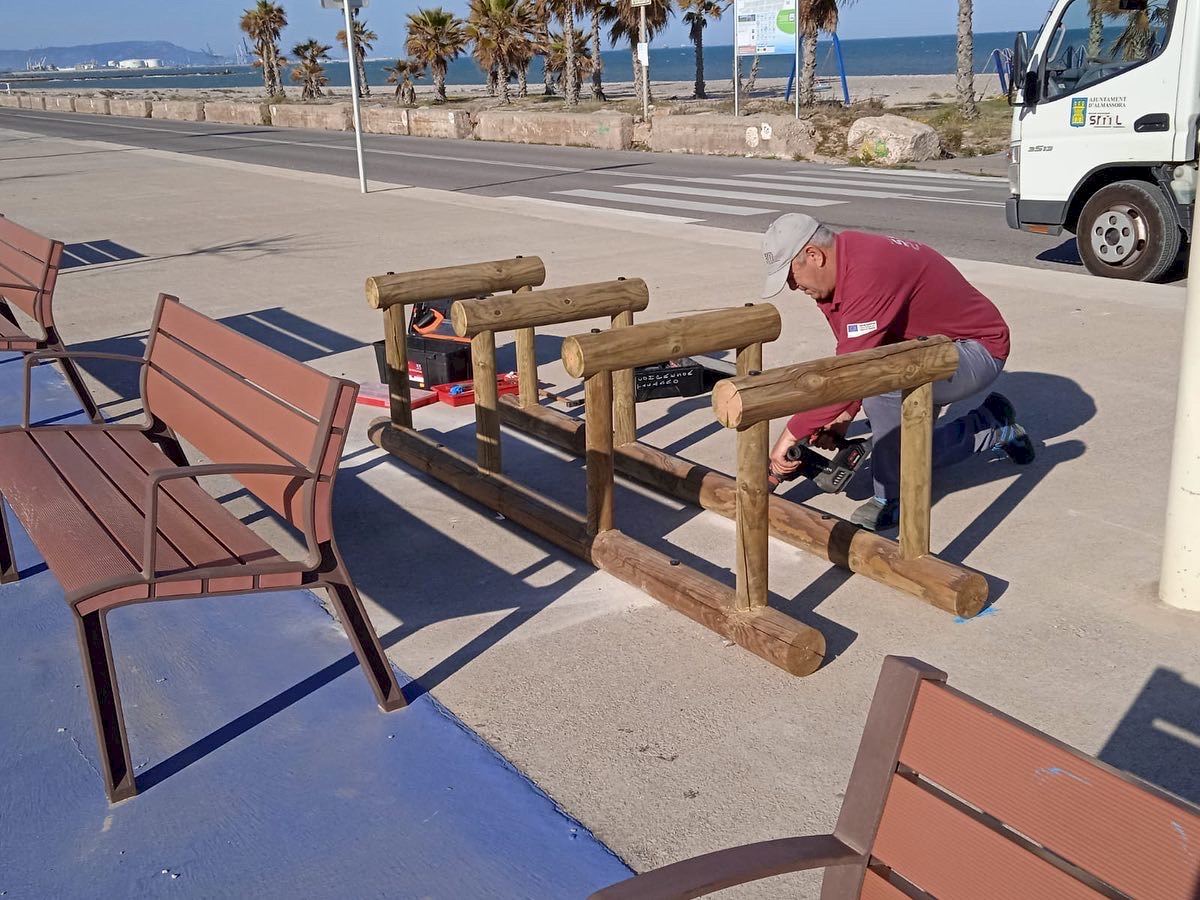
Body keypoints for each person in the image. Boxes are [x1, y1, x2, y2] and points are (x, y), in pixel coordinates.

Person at [761, 214, 1035, 531]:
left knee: (883, 390)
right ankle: (995, 422)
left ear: (814, 255)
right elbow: (855, 353)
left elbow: (855, 372)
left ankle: (892, 495)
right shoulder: (837, 273)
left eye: (790, 275)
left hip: (976, 349)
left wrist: (790, 436)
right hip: (923, 349)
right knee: (906, 451)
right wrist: (845, 413)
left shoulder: (868, 269)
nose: (793, 286)